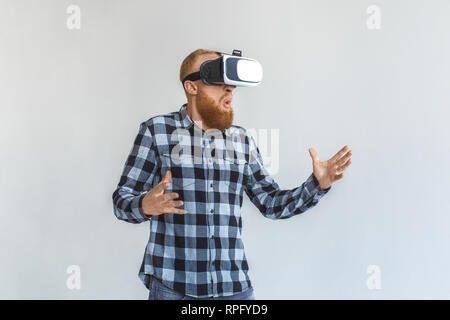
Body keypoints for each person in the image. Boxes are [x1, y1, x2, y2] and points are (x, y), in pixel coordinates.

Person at [112, 48, 353, 300]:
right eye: (216, 78)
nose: (229, 88)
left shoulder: (241, 140)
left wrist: (317, 184)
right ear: (191, 87)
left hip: (234, 290)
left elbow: (270, 203)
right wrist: (145, 205)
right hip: (174, 288)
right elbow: (121, 200)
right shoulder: (156, 131)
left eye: (230, 83)